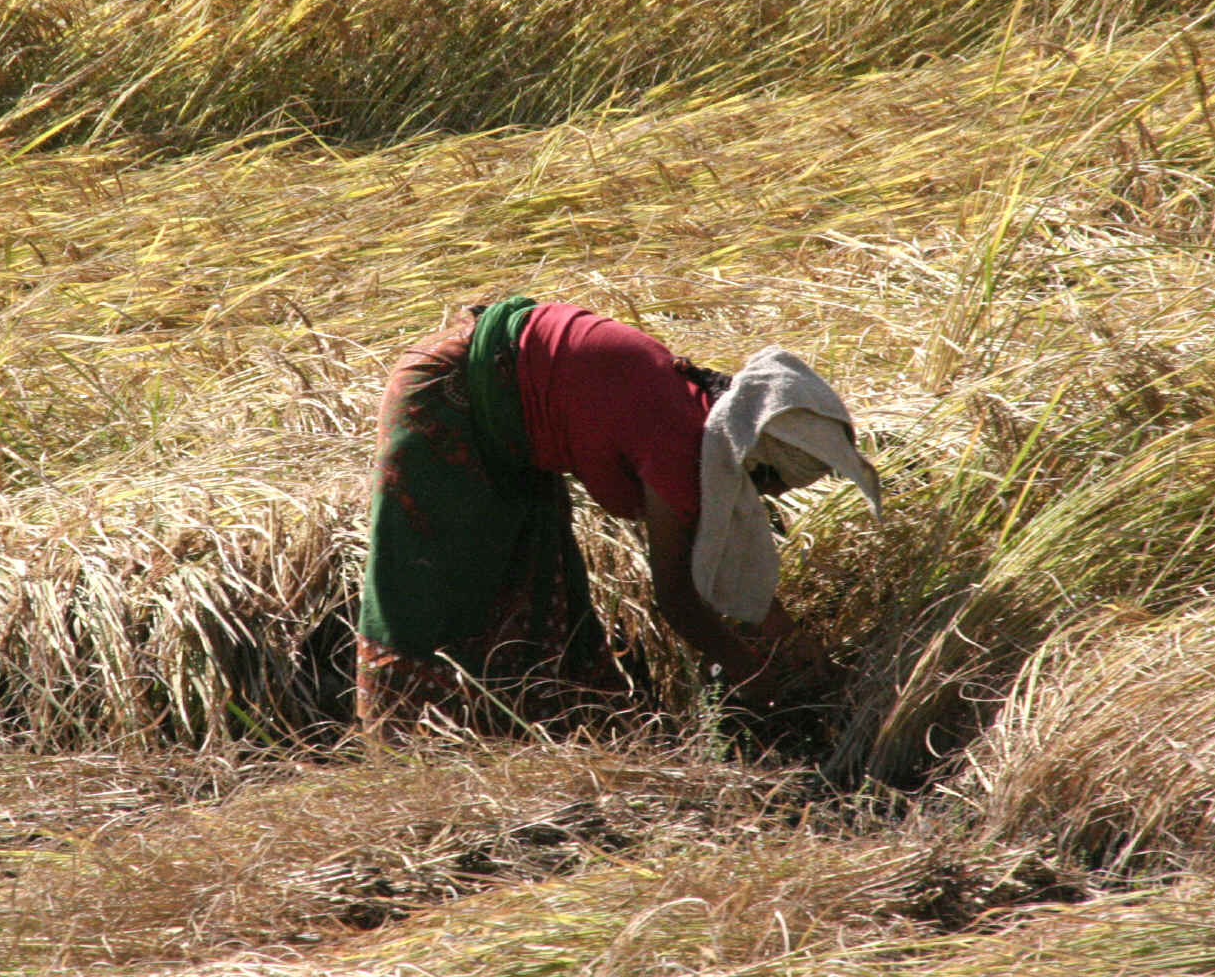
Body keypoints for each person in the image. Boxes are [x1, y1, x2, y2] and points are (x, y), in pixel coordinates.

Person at [355, 295, 881, 737]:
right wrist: (754, 677)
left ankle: (523, 740)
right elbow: (677, 598)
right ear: (753, 461)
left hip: (511, 423)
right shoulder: (680, 445)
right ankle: (411, 741)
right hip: (448, 405)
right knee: (432, 589)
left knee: (538, 582)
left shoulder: (703, 407)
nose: (762, 498)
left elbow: (722, 562)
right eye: (770, 484)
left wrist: (801, 655)